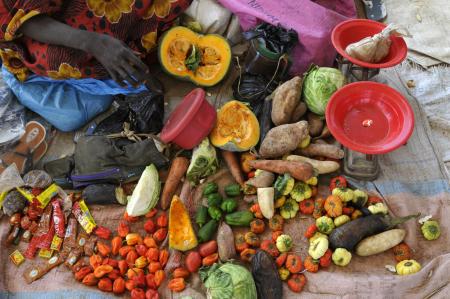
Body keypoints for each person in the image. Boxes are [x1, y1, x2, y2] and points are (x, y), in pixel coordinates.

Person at [0, 0, 192, 131]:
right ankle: (124, 56)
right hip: (39, 25)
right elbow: (24, 22)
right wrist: (93, 43)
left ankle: (130, 48)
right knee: (58, 58)